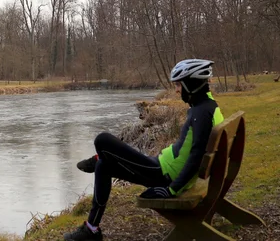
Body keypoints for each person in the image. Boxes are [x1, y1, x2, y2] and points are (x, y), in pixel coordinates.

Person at [62, 59, 224, 241]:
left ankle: (99, 155)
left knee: (103, 139)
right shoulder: (208, 107)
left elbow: (196, 156)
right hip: (162, 167)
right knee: (103, 165)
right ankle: (91, 229)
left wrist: (172, 190)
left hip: (163, 175)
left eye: (179, 84)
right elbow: (197, 153)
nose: (177, 90)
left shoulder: (201, 114)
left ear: (192, 84)